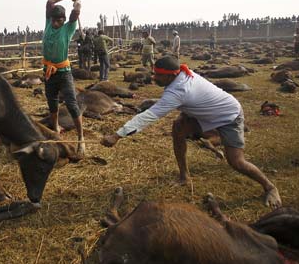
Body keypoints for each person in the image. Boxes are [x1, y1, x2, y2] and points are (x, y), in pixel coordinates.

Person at [100, 56, 282, 208]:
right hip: (205, 113)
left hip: (229, 115)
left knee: (236, 161)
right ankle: (184, 176)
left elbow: (148, 116)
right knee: (178, 128)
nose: (154, 78)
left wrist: (117, 135)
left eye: (159, 75)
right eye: (154, 73)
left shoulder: (178, 91)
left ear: (171, 75)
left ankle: (270, 187)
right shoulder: (182, 74)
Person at [42, 0, 85, 155]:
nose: (55, 23)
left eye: (58, 21)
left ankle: (81, 138)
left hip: (63, 73)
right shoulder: (48, 24)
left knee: (72, 104)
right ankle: (55, 129)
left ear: (64, 20)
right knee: (52, 103)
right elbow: (50, 0)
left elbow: (77, 9)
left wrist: (77, 1)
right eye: (53, 20)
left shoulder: (68, 28)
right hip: (48, 72)